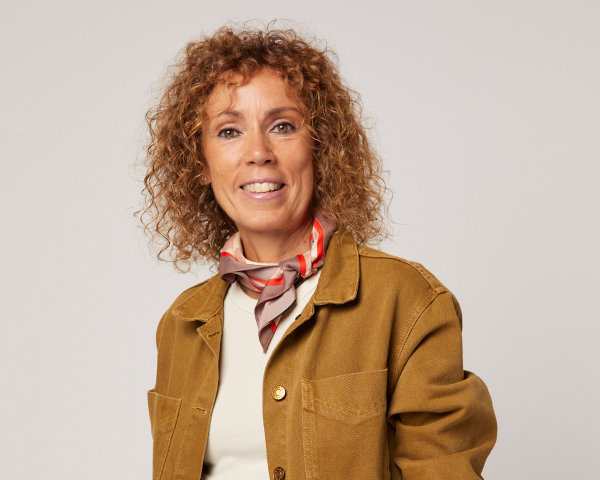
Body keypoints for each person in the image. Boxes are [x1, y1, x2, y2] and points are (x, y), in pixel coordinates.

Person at [140, 24, 497, 480]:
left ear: (320, 146)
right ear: (200, 163)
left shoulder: (406, 302)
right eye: (229, 131)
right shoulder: (181, 325)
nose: (258, 152)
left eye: (282, 126)